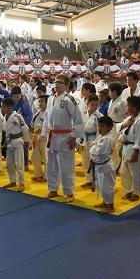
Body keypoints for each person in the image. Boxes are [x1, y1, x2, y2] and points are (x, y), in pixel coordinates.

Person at [42, 74, 84, 203]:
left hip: (65, 137)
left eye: (59, 82)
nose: (56, 84)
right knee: (51, 165)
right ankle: (53, 188)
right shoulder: (50, 99)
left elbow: (78, 120)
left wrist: (74, 137)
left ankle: (69, 192)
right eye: (55, 82)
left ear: (66, 85)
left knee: (66, 167)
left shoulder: (69, 99)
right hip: (52, 136)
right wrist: (44, 133)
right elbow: (47, 119)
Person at [118, 96, 140, 201]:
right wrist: (121, 147)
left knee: (135, 172)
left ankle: (137, 193)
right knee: (123, 171)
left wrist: (136, 153)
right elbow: (121, 132)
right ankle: (128, 191)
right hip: (125, 146)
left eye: (128, 105)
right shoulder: (128, 119)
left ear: (135, 108)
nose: (127, 107)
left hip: (134, 148)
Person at [1, 98, 30, 192]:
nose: (2, 108)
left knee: (19, 163)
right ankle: (13, 181)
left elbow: (24, 128)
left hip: (17, 142)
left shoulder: (18, 116)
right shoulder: (5, 117)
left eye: (3, 107)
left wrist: (26, 141)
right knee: (9, 164)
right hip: (9, 142)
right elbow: (6, 131)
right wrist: (5, 142)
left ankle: (21, 183)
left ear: (9, 108)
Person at [89, 115, 115, 214]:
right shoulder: (101, 137)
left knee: (107, 186)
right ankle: (105, 202)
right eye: (99, 125)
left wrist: (93, 147)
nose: (99, 128)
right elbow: (93, 146)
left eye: (102, 126)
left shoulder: (107, 139)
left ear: (110, 127)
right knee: (100, 185)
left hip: (105, 167)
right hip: (99, 166)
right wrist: (94, 147)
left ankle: (110, 206)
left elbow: (99, 151)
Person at [80, 94, 102, 189]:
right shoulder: (84, 114)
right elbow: (80, 128)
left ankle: (96, 181)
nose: (94, 107)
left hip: (93, 140)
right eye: (92, 104)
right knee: (85, 161)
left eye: (96, 104)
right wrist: (79, 142)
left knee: (94, 162)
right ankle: (88, 180)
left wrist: (97, 143)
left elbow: (100, 131)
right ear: (87, 103)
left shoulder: (99, 116)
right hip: (84, 140)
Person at [31, 94, 48, 182]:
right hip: (36, 136)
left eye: (42, 101)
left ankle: (46, 177)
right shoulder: (39, 111)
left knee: (46, 157)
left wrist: (41, 131)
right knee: (34, 156)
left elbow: (48, 126)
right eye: (39, 101)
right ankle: (38, 174)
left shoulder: (48, 113)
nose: (40, 103)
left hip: (45, 136)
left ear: (47, 103)